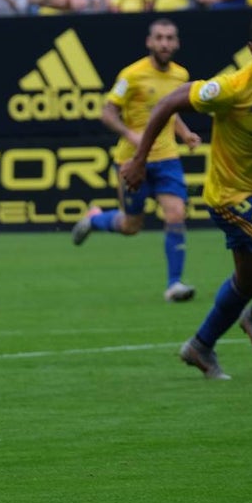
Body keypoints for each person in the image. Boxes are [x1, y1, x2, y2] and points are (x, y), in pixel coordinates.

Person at [121, 10, 252, 380]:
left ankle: (201, 345)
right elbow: (168, 103)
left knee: (251, 281)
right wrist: (139, 158)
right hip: (229, 198)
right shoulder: (231, 88)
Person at [72, 19, 201, 303]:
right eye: (159, 38)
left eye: (170, 38)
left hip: (167, 158)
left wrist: (185, 134)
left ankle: (174, 284)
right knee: (132, 226)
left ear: (176, 43)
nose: (165, 43)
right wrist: (132, 135)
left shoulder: (181, 76)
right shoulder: (131, 75)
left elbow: (171, 112)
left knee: (176, 213)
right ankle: (94, 220)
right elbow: (107, 113)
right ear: (150, 42)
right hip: (132, 162)